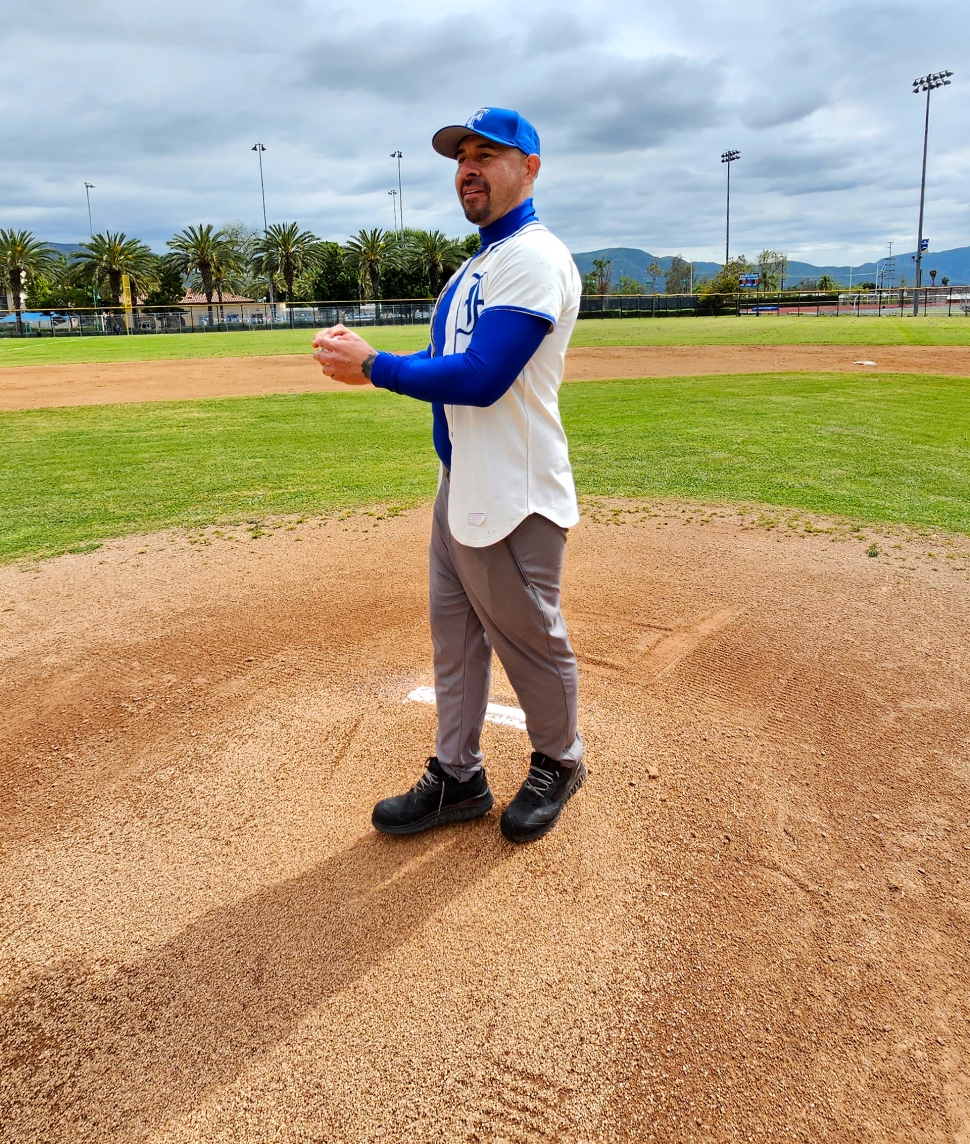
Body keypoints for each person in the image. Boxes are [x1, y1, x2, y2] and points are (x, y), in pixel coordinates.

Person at [313, 107, 584, 844]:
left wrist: (374, 366)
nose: (469, 166)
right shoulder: (479, 265)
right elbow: (453, 362)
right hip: (460, 482)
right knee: (455, 639)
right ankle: (458, 776)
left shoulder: (531, 256)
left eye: (488, 154)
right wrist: (382, 360)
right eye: (461, 155)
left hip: (513, 492)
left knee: (531, 639)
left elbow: (484, 375)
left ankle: (560, 760)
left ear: (529, 169)